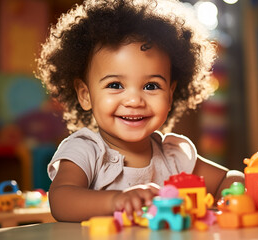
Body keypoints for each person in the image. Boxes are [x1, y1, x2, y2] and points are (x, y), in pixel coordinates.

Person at [36, 0, 244, 222]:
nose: (135, 100)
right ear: (85, 94)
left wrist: (238, 191)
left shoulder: (174, 156)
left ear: (170, 94)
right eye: (115, 85)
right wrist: (115, 201)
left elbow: (228, 179)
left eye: (151, 86)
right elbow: (61, 201)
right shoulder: (87, 151)